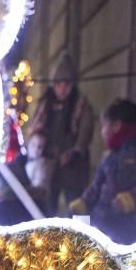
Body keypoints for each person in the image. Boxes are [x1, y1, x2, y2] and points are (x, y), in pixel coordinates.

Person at [69, 99, 136, 244]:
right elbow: (97, 185)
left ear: (116, 126)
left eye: (104, 126)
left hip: (131, 227)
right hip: (103, 222)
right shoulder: (112, 154)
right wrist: (84, 202)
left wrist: (131, 199)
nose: (102, 132)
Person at [27, 52, 95, 215]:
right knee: (47, 208)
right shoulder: (45, 105)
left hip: (73, 166)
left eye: (67, 84)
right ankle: (48, 237)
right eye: (59, 84)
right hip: (50, 166)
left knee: (77, 207)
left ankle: (81, 238)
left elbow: (86, 130)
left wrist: (76, 151)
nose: (63, 89)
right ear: (54, 85)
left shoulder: (80, 104)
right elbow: (35, 128)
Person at [0, 129, 54, 226]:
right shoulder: (19, 162)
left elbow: (40, 190)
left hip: (33, 206)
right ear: (28, 144)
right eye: (33, 145)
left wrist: (12, 192)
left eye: (40, 147)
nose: (36, 149)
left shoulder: (43, 165)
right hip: (16, 202)